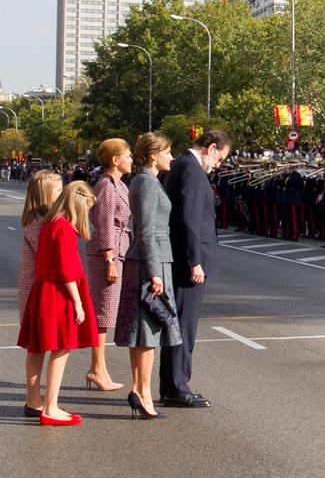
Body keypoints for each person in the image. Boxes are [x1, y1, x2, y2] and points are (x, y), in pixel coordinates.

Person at [18, 181, 100, 425]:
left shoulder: (49, 224)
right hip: (59, 293)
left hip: (43, 289)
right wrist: (78, 302)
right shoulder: (63, 227)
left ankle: (40, 402)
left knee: (38, 347)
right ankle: (51, 407)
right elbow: (66, 270)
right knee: (61, 348)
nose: (86, 213)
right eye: (85, 207)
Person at [160, 129, 230, 409]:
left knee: (178, 325)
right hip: (188, 259)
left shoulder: (181, 165)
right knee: (183, 326)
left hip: (185, 256)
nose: (218, 165)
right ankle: (177, 386)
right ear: (210, 147)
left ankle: (171, 385)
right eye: (219, 158)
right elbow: (188, 216)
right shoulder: (190, 168)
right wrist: (194, 259)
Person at [115, 132, 181, 420]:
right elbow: (145, 232)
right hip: (148, 263)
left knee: (145, 334)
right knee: (147, 334)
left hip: (149, 261)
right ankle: (142, 392)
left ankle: (139, 390)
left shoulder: (146, 180)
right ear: (154, 155)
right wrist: (155, 273)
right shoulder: (146, 182)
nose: (171, 157)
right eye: (168, 152)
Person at [85, 138, 133, 392]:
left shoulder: (120, 185)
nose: (131, 160)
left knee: (106, 315)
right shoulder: (105, 185)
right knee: (102, 315)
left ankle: (99, 368)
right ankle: (96, 368)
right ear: (115, 159)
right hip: (107, 253)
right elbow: (103, 224)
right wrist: (109, 259)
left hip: (119, 249)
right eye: (128, 156)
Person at [17, 170, 63, 418]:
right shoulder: (40, 222)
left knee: (37, 347)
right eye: (57, 190)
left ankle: (34, 398)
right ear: (46, 194)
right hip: (38, 288)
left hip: (36, 286)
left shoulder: (37, 219)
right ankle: (34, 398)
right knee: (39, 346)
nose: (61, 193)